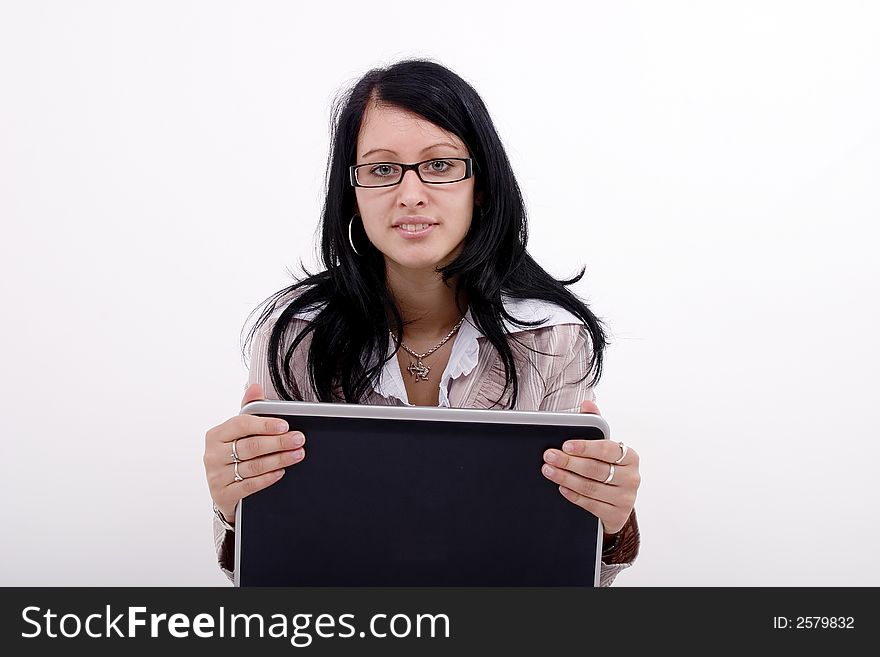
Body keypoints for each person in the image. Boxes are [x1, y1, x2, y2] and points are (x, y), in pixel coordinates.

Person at [203, 59, 641, 586]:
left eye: (439, 165)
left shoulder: (551, 337)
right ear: (353, 193)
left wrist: (609, 521)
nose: (410, 194)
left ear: (480, 184)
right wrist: (235, 510)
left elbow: (562, 580)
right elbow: (269, 576)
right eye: (382, 169)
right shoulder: (295, 336)